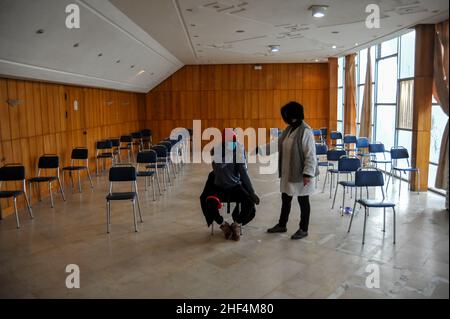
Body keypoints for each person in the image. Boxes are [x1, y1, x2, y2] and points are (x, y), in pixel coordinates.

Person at [267, 101, 318, 240]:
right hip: (288, 172)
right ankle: (282, 224)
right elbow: (277, 144)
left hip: (302, 175)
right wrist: (261, 150)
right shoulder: (289, 129)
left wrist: (308, 173)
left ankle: (303, 229)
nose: (285, 118)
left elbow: (311, 155)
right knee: (286, 198)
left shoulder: (306, 131)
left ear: (293, 115)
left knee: (303, 200)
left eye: (286, 115)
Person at [200, 129, 260, 241]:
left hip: (235, 186)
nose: (232, 144)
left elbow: (243, 173)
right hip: (219, 186)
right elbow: (219, 167)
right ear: (223, 142)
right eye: (228, 142)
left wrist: (252, 192)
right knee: (209, 203)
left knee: (249, 202)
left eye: (233, 142)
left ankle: (236, 224)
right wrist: (224, 154)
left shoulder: (238, 150)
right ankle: (223, 224)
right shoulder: (218, 150)